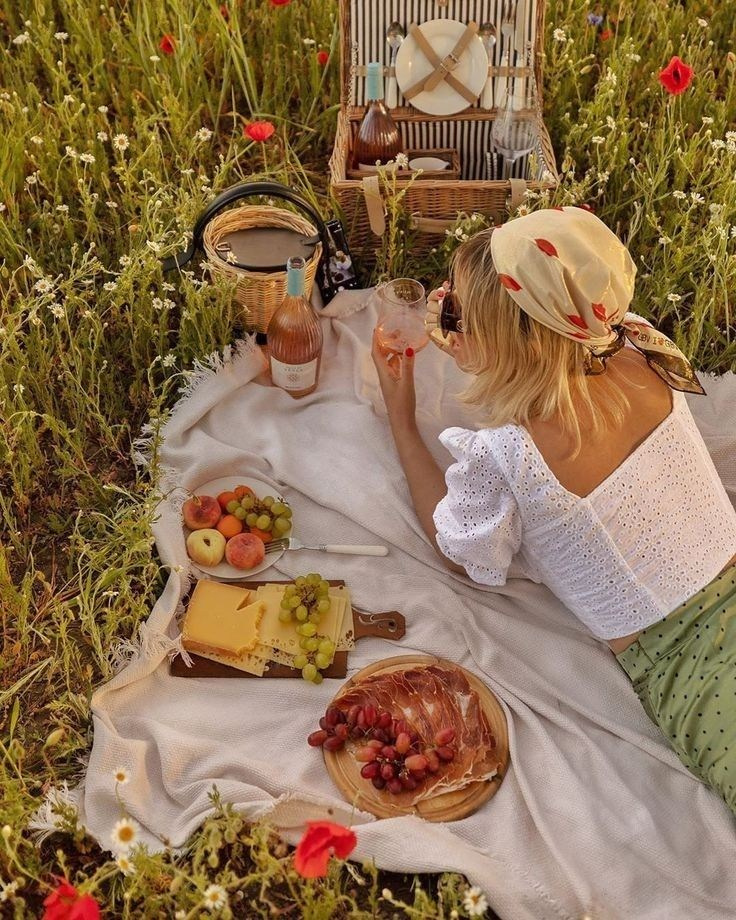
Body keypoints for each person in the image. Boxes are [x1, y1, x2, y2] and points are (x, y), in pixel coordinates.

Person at [371, 206, 736, 814]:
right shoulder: (632, 346)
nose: (441, 317)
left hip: (685, 663)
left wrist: (400, 419)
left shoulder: (511, 455)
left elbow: (459, 546)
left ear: (511, 343)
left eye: (454, 312)